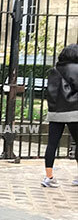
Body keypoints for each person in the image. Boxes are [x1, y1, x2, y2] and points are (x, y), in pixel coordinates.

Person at [42, 43, 78, 188]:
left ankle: (48, 177)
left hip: (55, 113)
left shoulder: (54, 70)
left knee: (52, 144)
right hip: (74, 112)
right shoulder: (76, 69)